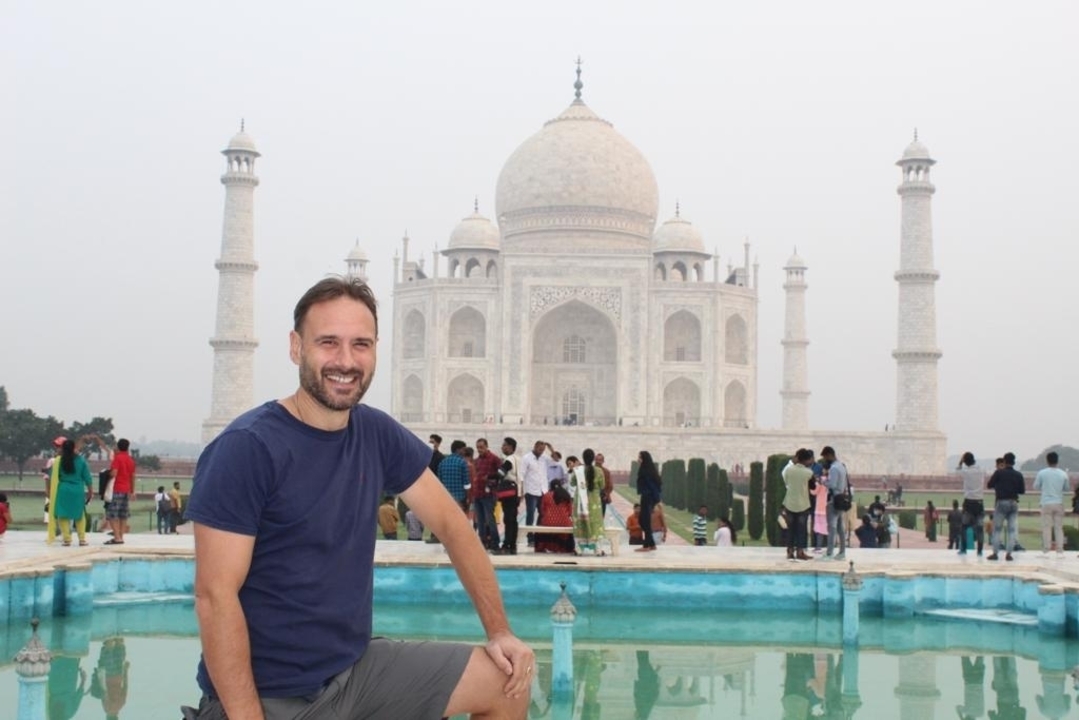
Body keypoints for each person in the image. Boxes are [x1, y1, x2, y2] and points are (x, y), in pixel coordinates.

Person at [182, 277, 532, 719]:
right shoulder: (248, 448)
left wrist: (499, 631)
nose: (345, 361)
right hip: (272, 694)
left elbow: (452, 525)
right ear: (296, 347)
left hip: (353, 672)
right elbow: (215, 597)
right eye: (328, 342)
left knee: (508, 681)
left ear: (376, 350)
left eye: (360, 344)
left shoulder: (375, 433)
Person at [51, 438, 93, 547]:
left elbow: (53, 476)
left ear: (63, 449)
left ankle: (67, 539)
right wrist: (90, 492)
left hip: (64, 489)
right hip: (78, 489)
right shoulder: (81, 460)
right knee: (79, 514)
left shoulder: (59, 461)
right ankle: (82, 539)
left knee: (62, 514)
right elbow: (87, 478)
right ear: (74, 448)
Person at [986, 451, 1025, 561]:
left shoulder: (999, 473)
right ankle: (1009, 554)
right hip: (1013, 502)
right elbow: (1022, 491)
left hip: (1001, 502)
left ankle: (995, 553)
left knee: (997, 529)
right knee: (1012, 530)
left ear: (1004, 461)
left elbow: (989, 485)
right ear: (1014, 462)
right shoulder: (1018, 475)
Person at [1034, 451, 1070, 556]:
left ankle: (1046, 550)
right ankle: (1060, 550)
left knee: (1046, 527)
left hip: (1046, 503)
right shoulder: (1063, 473)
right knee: (1059, 527)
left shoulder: (1042, 473)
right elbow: (1066, 488)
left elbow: (1036, 486)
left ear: (1047, 461)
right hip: (1058, 502)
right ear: (1057, 461)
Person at [782, 449, 815, 561]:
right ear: (805, 460)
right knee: (801, 529)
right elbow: (813, 487)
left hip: (789, 502)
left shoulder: (788, 470)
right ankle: (800, 552)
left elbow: (786, 482)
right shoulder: (808, 472)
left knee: (790, 529)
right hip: (803, 504)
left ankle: (790, 551)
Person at [571, 448, 605, 555]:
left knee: (580, 523)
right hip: (594, 501)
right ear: (593, 458)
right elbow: (602, 485)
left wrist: (576, 468)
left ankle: (579, 548)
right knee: (595, 523)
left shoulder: (578, 470)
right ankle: (598, 549)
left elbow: (572, 483)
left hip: (580, 501)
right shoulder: (599, 471)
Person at [520, 440, 552, 546]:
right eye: (539, 449)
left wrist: (551, 448)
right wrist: (522, 491)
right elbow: (521, 475)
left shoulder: (544, 458)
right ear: (535, 446)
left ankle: (539, 535)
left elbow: (556, 460)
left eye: (543, 450)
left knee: (543, 514)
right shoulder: (526, 458)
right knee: (530, 514)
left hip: (543, 490)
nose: (541, 452)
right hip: (531, 490)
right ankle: (530, 538)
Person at [105, 438, 136, 545]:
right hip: (126, 489)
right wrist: (132, 491)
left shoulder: (117, 459)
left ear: (118, 447)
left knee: (113, 514)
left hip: (116, 489)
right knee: (123, 514)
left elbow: (114, 473)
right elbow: (132, 476)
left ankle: (117, 537)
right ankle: (121, 536)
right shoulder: (130, 460)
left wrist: (106, 476)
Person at [473, 437, 502, 551]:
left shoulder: (494, 459)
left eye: (481, 447)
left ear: (486, 446)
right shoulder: (477, 461)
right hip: (478, 493)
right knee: (480, 521)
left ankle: (495, 543)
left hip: (489, 495)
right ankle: (483, 543)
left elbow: (500, 475)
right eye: (478, 448)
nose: (479, 450)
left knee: (490, 520)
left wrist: (491, 482)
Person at [821, 446, 848, 561]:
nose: (825, 459)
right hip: (841, 498)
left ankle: (829, 553)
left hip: (834, 499)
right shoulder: (841, 466)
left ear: (830, 455)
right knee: (840, 527)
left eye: (826, 456)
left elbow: (832, 484)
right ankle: (842, 552)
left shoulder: (834, 468)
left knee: (831, 527)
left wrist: (822, 481)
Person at [495, 437, 521, 555]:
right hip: (516, 492)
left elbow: (501, 473)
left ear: (510, 447)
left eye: (504, 445)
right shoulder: (518, 459)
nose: (502, 447)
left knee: (508, 519)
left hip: (509, 492)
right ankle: (512, 545)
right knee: (513, 520)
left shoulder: (509, 460)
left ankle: (506, 545)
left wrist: (490, 476)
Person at [957, 451, 986, 556]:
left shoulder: (966, 471)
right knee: (979, 528)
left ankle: (963, 549)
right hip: (979, 502)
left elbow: (957, 470)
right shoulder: (981, 470)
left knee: (964, 527)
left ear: (965, 462)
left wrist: (961, 462)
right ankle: (980, 551)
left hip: (969, 502)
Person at [535, 479, 574, 554]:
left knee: (541, 526)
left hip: (548, 522)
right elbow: (570, 512)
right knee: (568, 528)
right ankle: (565, 547)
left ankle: (542, 547)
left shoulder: (547, 495)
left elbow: (542, 510)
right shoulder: (566, 495)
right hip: (564, 522)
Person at [636, 451, 662, 552]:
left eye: (640, 457)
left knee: (644, 520)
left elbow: (652, 485)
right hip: (647, 496)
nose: (638, 459)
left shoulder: (645, 471)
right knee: (643, 520)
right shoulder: (648, 469)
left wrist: (656, 498)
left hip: (648, 497)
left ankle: (646, 545)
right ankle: (651, 544)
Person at [595, 452, 614, 517]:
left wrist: (606, 494)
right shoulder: (590, 470)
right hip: (592, 496)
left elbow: (610, 486)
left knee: (601, 516)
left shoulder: (606, 472)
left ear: (603, 461)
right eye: (597, 460)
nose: (598, 462)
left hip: (602, 496)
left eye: (600, 460)